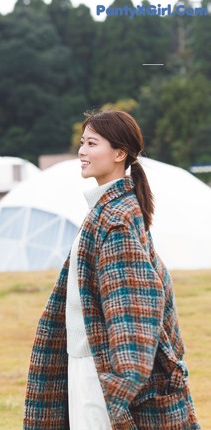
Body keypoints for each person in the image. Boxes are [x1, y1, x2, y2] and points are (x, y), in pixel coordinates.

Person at [23, 109, 201, 429]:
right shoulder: (106, 210)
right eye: (82, 142)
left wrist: (123, 381)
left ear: (119, 153)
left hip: (97, 368)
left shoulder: (115, 218)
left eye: (92, 143)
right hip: (85, 362)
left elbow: (132, 303)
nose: (81, 151)